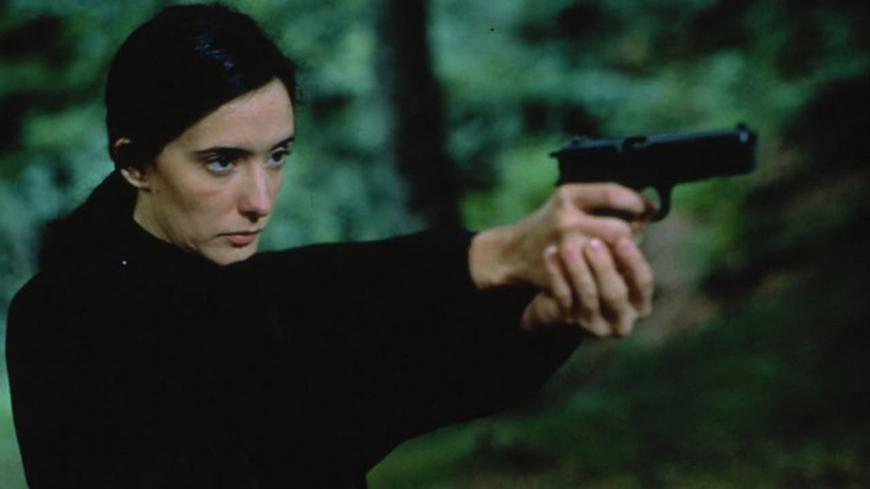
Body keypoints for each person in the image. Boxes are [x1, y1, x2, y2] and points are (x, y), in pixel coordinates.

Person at [5, 4, 654, 488]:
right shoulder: (66, 314)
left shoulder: (242, 308)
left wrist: (540, 317)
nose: (260, 198)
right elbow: (299, 323)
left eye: (277, 155)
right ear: (135, 163)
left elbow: (405, 384)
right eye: (222, 161)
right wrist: (494, 254)